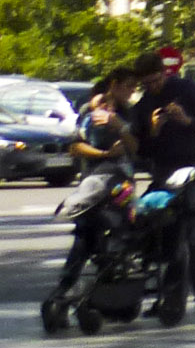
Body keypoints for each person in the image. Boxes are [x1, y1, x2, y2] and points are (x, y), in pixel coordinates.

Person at [132, 51, 195, 321]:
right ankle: (172, 301)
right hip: (164, 170)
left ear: (164, 72)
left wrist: (186, 120)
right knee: (169, 238)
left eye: (155, 81)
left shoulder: (187, 89)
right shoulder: (144, 104)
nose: (152, 88)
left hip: (194, 168)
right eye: (146, 84)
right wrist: (154, 130)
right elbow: (142, 149)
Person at [49, 68, 142, 299]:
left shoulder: (129, 114)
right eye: (128, 86)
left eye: (134, 87)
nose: (132, 91)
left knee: (121, 234)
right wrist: (104, 153)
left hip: (121, 185)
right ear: (114, 84)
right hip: (93, 181)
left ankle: (110, 287)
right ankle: (65, 287)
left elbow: (135, 147)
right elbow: (75, 146)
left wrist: (118, 125)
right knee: (85, 233)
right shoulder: (89, 111)